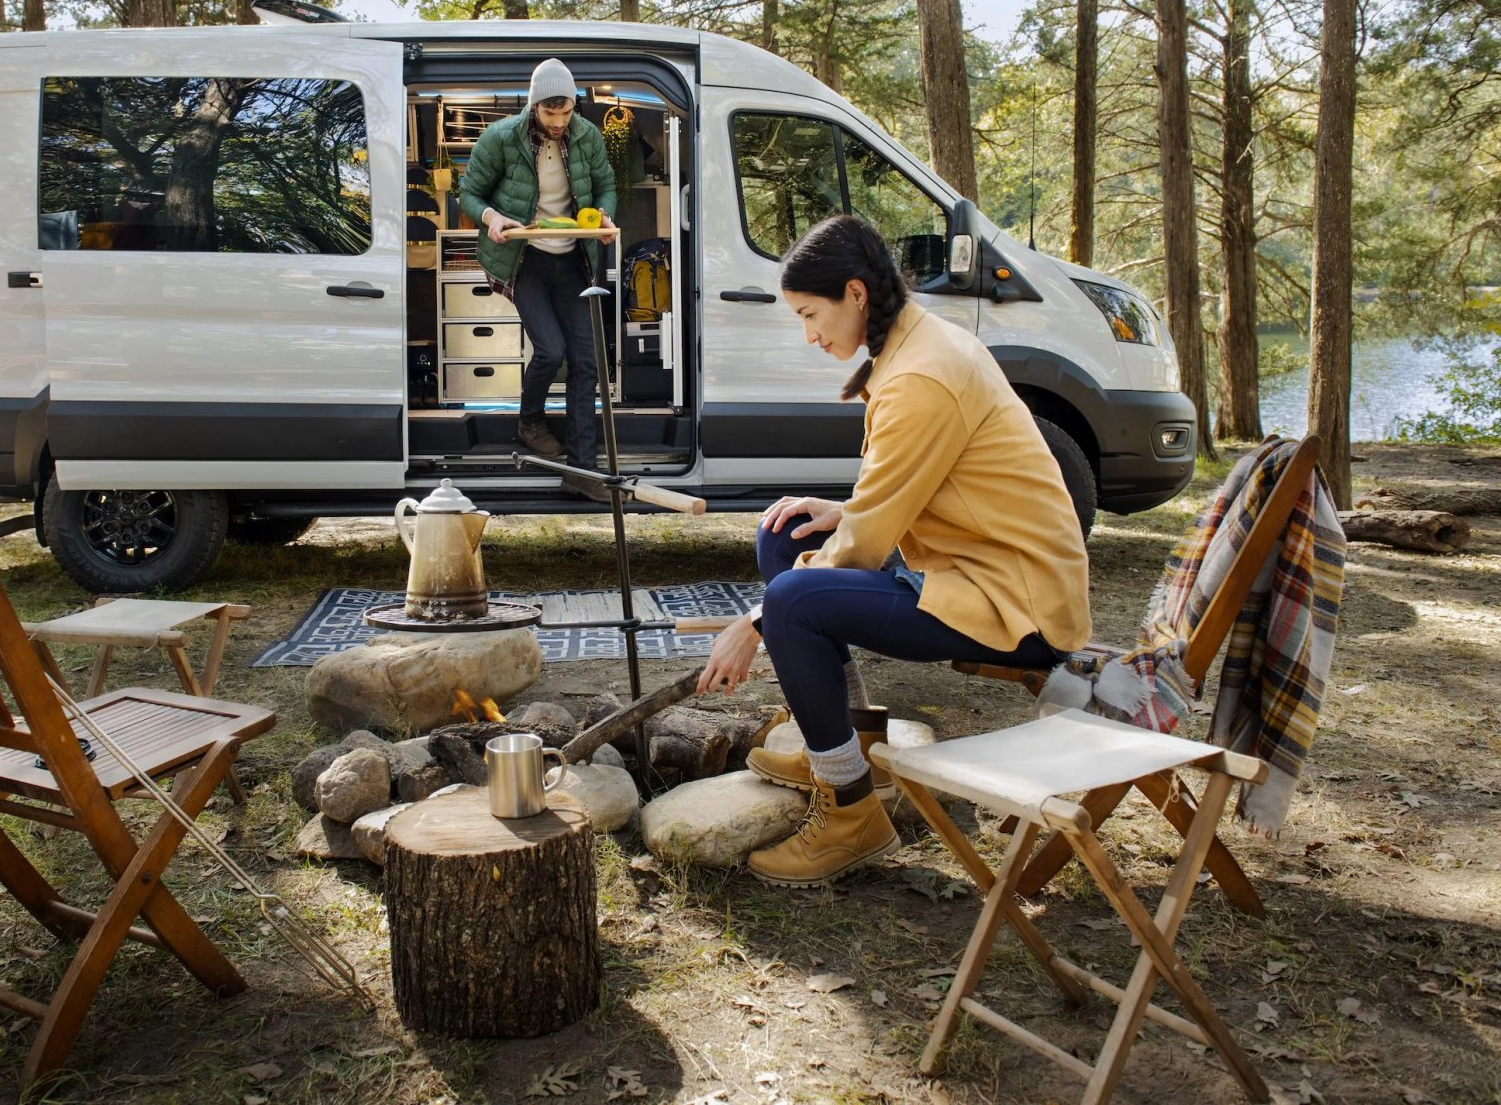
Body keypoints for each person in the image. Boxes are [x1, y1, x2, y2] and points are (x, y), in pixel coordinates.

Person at [696, 214, 1092, 888]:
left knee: (791, 600)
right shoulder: (912, 348)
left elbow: (866, 546)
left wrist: (754, 623)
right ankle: (847, 747)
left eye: (810, 313)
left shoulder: (921, 375)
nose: (809, 334)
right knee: (785, 533)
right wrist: (846, 512)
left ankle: (850, 811)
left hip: (1014, 602)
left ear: (855, 293)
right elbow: (923, 499)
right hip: (965, 564)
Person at [459, 59, 619, 469]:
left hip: (574, 260)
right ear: (534, 107)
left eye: (566, 112)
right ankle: (530, 422)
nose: (560, 122)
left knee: (586, 361)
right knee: (550, 350)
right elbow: (470, 194)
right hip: (525, 259)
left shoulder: (587, 135)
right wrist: (492, 218)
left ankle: (584, 466)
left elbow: (605, 184)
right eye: (551, 113)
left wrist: (603, 216)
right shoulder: (501, 138)